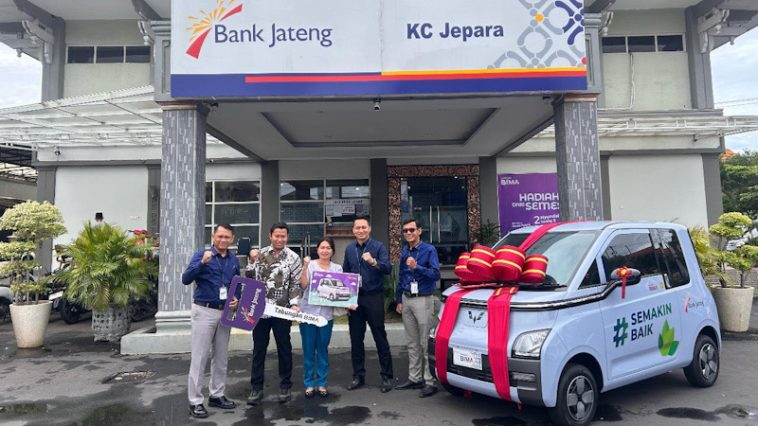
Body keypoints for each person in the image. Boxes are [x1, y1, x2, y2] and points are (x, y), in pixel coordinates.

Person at [181, 224, 239, 419]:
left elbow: (236, 284)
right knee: (200, 358)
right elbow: (186, 279)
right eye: (220, 236)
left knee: (221, 357)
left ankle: (217, 394)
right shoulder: (202, 255)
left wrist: (237, 299)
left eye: (227, 237)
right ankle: (195, 401)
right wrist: (202, 263)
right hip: (204, 311)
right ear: (213, 236)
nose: (223, 240)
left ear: (232, 239)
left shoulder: (233, 260)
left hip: (225, 312)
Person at [245, 222, 302, 404]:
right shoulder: (260, 254)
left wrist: (294, 304)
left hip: (281, 310)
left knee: (284, 348)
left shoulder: (293, 257)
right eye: (276, 236)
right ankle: (256, 388)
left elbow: (295, 284)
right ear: (270, 236)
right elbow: (250, 278)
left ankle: (285, 386)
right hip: (261, 310)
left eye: (283, 236)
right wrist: (251, 261)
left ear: (287, 237)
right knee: (259, 349)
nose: (279, 239)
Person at [343, 216, 394, 393]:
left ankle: (386, 376)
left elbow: (388, 268)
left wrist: (373, 261)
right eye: (357, 228)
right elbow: (345, 274)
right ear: (353, 230)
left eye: (364, 227)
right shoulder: (349, 249)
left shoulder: (378, 247)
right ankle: (358, 376)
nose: (361, 230)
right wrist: (346, 300)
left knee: (380, 337)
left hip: (374, 297)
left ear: (369, 228)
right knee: (356, 338)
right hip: (355, 299)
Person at [394, 219, 441, 397]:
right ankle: (414, 378)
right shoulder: (405, 251)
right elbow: (401, 276)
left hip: (423, 299)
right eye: (405, 231)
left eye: (412, 230)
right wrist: (399, 299)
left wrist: (417, 267)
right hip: (407, 299)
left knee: (425, 342)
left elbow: (435, 274)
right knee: (412, 342)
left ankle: (430, 381)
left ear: (419, 231)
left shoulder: (429, 250)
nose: (408, 233)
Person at [298, 237, 344, 398]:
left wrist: (349, 302)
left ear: (332, 251)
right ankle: (309, 383)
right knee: (308, 350)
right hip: (308, 314)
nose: (325, 250)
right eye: (322, 247)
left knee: (322, 350)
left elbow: (340, 291)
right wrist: (304, 267)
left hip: (325, 316)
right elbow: (303, 286)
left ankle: (322, 383)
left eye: (328, 248)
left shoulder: (337, 268)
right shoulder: (310, 265)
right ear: (317, 250)